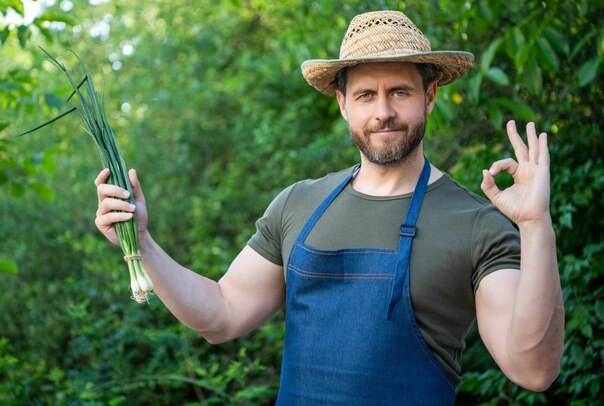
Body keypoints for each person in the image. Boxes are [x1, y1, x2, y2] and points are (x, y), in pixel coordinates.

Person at [94, 10, 564, 405]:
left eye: (399, 91)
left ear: (429, 96)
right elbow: (221, 315)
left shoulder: (475, 224)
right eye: (365, 95)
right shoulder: (299, 203)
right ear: (342, 104)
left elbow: (533, 369)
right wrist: (144, 243)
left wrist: (536, 226)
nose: (383, 111)